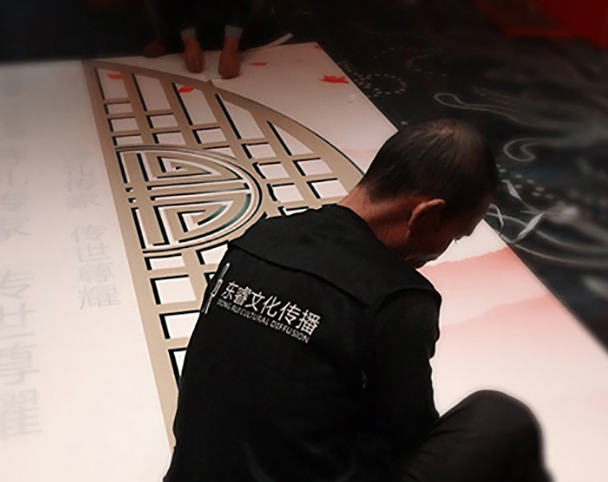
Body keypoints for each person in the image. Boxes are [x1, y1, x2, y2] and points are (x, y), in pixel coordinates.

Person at [164, 119, 552, 482]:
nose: (442, 251)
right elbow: (408, 436)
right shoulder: (398, 299)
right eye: (454, 235)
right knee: (499, 418)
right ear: (427, 214)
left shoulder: (259, 238)